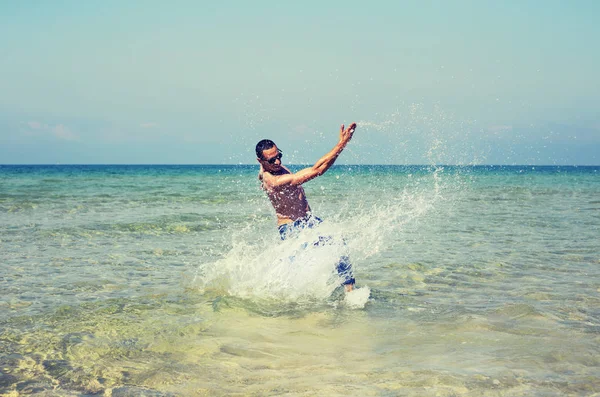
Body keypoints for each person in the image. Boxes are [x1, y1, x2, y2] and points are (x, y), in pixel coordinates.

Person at [256, 122, 357, 292]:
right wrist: (342, 144)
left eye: (278, 155)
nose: (278, 161)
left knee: (338, 244)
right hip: (292, 228)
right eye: (272, 160)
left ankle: (349, 291)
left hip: (308, 221)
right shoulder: (275, 182)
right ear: (262, 161)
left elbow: (262, 169)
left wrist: (264, 167)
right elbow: (318, 169)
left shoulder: (268, 166)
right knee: (301, 267)